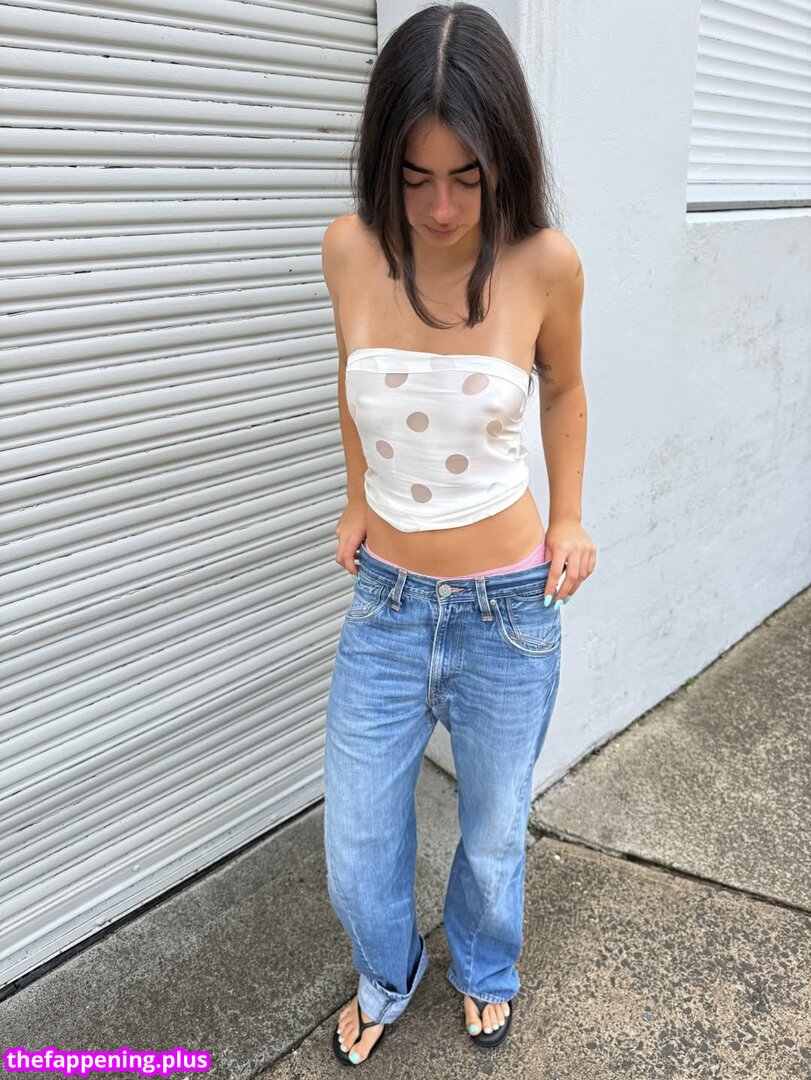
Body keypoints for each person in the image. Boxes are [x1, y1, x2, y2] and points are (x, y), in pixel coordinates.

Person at [321, 2, 597, 1066]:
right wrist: (358, 499)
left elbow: (563, 388)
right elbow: (352, 385)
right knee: (356, 843)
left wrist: (568, 515)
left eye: (467, 178)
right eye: (414, 177)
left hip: (508, 614)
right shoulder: (349, 250)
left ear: (504, 161)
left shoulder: (544, 263)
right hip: (386, 605)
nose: (439, 207)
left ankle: (484, 967)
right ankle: (387, 972)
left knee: (491, 835)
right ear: (381, 162)